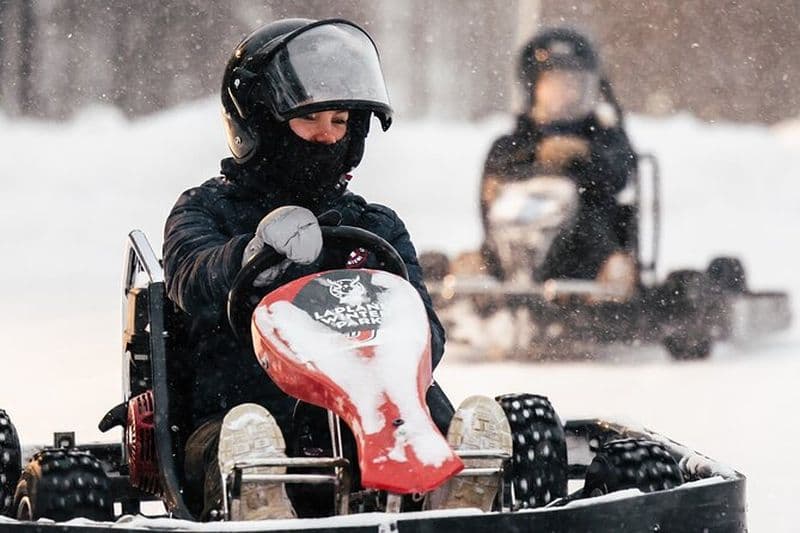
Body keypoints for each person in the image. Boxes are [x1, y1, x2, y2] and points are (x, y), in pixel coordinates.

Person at [163, 18, 509, 521]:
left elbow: (427, 333)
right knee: (246, 433)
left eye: (340, 120)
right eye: (310, 118)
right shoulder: (206, 210)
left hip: (376, 414)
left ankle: (453, 488)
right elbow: (189, 278)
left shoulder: (376, 226)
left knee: (429, 411)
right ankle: (262, 501)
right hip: (242, 410)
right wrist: (250, 254)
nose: (327, 136)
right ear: (260, 121)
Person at [480, 28, 638, 289]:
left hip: (585, 261)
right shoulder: (511, 145)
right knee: (451, 267)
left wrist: (582, 155)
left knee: (611, 260)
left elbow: (618, 173)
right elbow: (493, 185)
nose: (568, 92)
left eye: (576, 83)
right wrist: (536, 157)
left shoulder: (604, 139)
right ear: (534, 87)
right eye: (557, 82)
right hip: (508, 257)